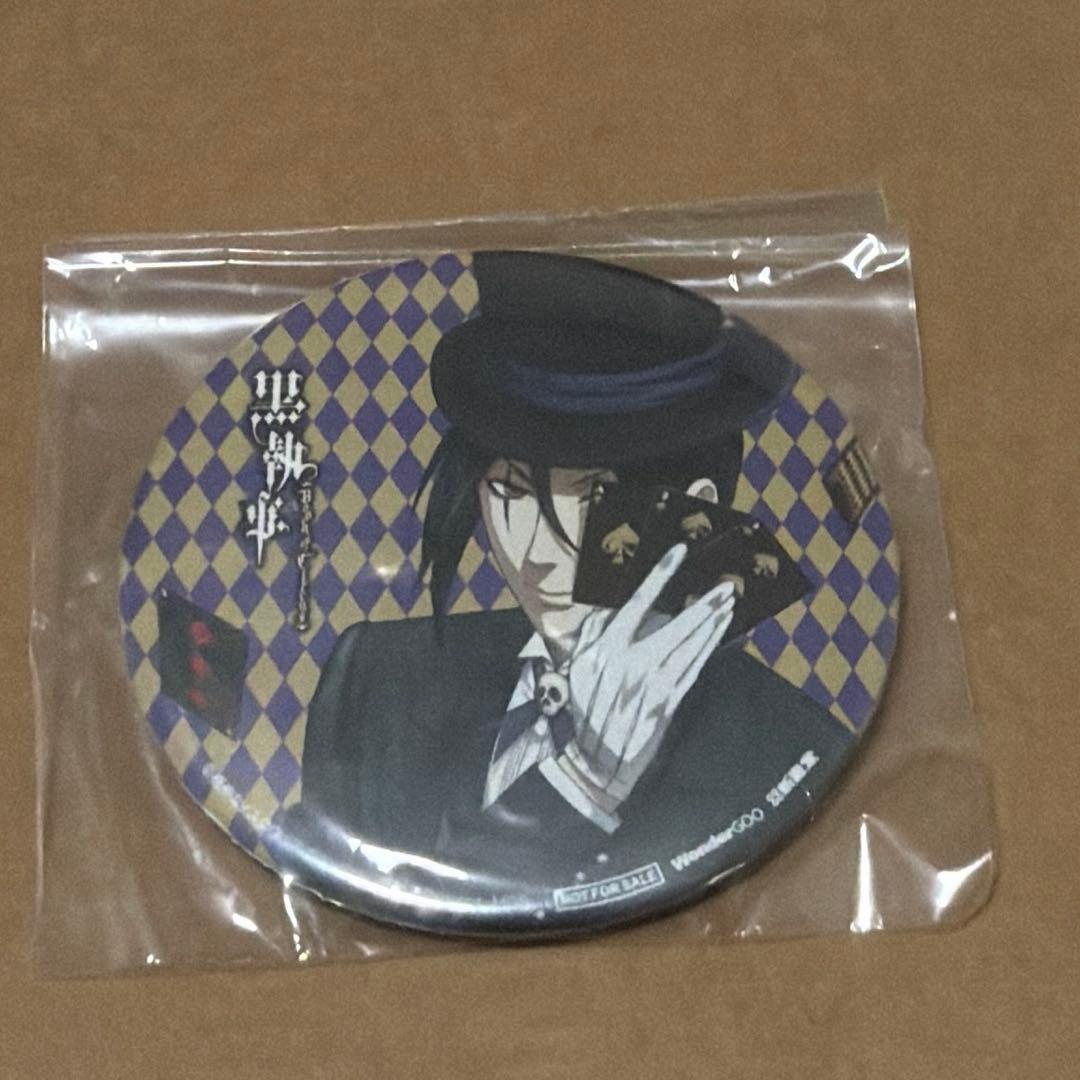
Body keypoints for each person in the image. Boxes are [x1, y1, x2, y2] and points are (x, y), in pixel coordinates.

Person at [270, 252, 854, 928]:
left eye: (594, 496)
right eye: (510, 491)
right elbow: (336, 902)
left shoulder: (786, 747)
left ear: (695, 510)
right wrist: (580, 782)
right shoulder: (377, 678)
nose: (535, 550)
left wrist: (588, 787)